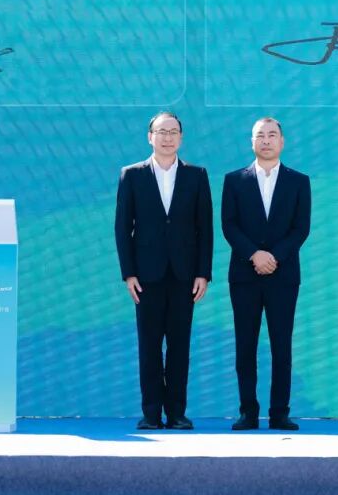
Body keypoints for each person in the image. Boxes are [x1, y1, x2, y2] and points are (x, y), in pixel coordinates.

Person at [115, 112, 213, 430]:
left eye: (173, 132)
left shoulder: (197, 175)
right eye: (161, 131)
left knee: (180, 347)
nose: (167, 137)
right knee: (149, 346)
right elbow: (122, 228)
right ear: (150, 137)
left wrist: (203, 273)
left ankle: (177, 413)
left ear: (181, 137)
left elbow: (205, 228)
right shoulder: (131, 175)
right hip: (146, 276)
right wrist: (129, 273)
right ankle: (151, 414)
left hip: (185, 275)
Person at [221, 117, 311, 431]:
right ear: (252, 142)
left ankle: (279, 413)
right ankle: (247, 412)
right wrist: (254, 254)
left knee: (281, 345)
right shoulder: (235, 180)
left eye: (273, 135)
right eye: (260, 135)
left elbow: (301, 228)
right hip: (244, 275)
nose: (267, 140)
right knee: (245, 345)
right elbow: (229, 224)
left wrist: (274, 256)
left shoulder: (299, 181)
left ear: (282, 142)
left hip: (283, 275)